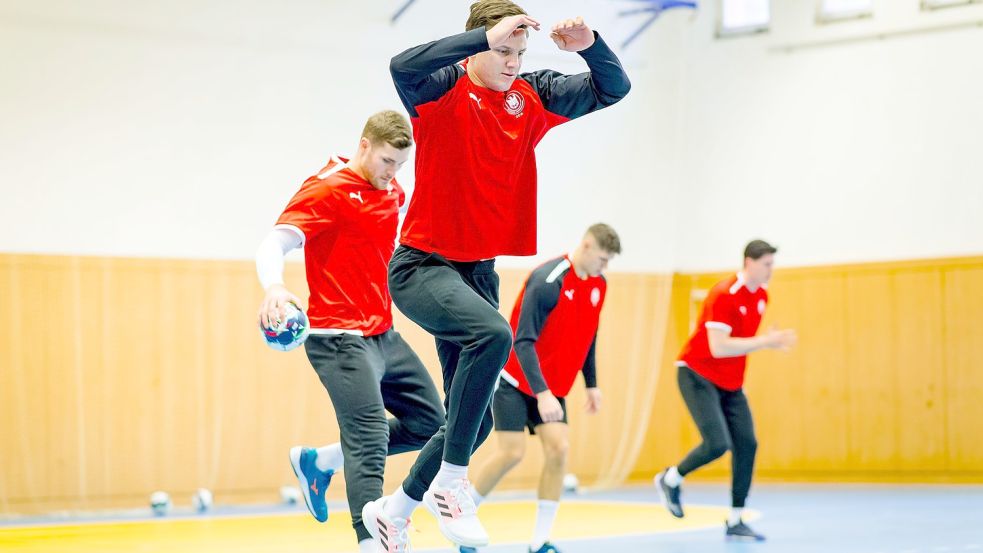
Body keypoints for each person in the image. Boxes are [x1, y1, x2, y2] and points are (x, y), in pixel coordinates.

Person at [361, 1, 631, 550]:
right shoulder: (439, 88)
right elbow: (400, 64)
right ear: (480, 44)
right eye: (502, 50)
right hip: (421, 265)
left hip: (477, 274)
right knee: (494, 335)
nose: (512, 62)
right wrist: (483, 38)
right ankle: (452, 485)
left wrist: (591, 45)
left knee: (475, 422)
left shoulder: (532, 95)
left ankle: (393, 510)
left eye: (519, 52)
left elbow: (614, 87)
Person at [255, 110, 444, 553]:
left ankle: (319, 461)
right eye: (385, 162)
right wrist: (275, 286)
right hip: (336, 336)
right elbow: (275, 241)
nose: (392, 174)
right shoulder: (328, 187)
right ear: (364, 146)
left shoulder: (392, 189)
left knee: (432, 424)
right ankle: (371, 541)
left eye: (399, 165)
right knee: (370, 435)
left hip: (383, 334)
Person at [462, 224, 620, 553]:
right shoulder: (548, 280)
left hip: (550, 386)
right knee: (511, 452)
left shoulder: (598, 285)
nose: (604, 268)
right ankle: (464, 519)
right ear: (587, 245)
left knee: (559, 450)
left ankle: (539, 542)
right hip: (515, 380)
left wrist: (591, 384)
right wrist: (542, 392)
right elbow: (523, 340)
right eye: (602, 259)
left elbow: (588, 337)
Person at [655, 239, 797, 542]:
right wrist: (766, 342)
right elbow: (718, 348)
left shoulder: (761, 296)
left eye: (773, 264)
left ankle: (735, 520)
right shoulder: (724, 294)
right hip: (696, 374)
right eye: (767, 264)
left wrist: (756, 349)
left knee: (747, 443)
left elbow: (739, 345)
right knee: (717, 443)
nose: (771, 270)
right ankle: (670, 479)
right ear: (749, 262)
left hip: (730, 383)